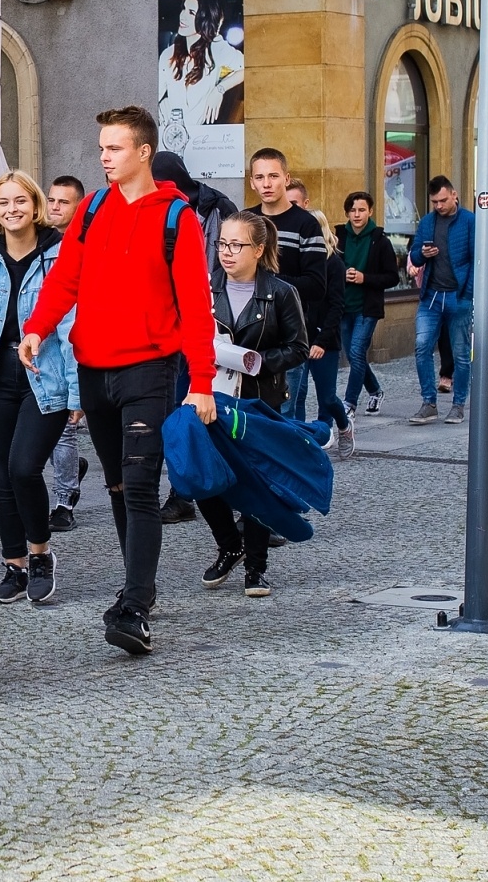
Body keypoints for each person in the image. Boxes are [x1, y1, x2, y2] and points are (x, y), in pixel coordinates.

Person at [19, 104, 217, 657]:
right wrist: (37, 328)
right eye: (103, 147)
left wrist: (200, 381)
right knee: (115, 486)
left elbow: (197, 308)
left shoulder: (176, 218)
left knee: (140, 485)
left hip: (149, 370)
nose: (105, 157)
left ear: (144, 151)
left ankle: (136, 604)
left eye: (115, 147)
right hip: (93, 368)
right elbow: (66, 278)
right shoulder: (93, 207)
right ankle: (136, 586)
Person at [0, 173, 78, 605]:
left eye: (20, 201)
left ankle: (41, 554)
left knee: (25, 467)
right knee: (4, 477)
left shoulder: (60, 256)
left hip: (45, 376)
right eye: (3, 203)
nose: (11, 209)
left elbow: (72, 327)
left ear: (35, 204)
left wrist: (78, 394)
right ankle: (15, 567)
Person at [198, 211, 310, 597]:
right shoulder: (205, 288)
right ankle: (230, 544)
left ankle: (256, 569)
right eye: (222, 244)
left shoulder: (280, 292)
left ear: (259, 249)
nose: (226, 253)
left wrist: (261, 361)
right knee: (201, 475)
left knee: (255, 482)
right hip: (211, 394)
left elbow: (298, 347)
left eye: (236, 245)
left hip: (260, 400)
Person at [151, 149, 238, 525]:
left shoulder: (216, 208)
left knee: (205, 408)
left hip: (211, 316)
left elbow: (224, 260)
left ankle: (218, 495)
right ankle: (180, 491)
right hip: (168, 322)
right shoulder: (152, 207)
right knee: (174, 410)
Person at [247, 150, 324, 421]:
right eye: (260, 177)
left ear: (286, 179)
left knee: (284, 416)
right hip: (246, 336)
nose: (266, 183)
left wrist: (268, 282)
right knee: (247, 416)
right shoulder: (246, 222)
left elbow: (316, 285)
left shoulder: (306, 224)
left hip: (287, 336)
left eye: (273, 176)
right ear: (252, 182)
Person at [405, 175, 475, 424]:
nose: (439, 206)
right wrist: (422, 254)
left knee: (460, 353)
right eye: (435, 201)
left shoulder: (469, 221)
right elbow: (414, 254)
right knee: (422, 346)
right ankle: (429, 402)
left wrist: (467, 294)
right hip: (431, 295)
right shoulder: (427, 221)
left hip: (458, 295)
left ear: (454, 195)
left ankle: (458, 405)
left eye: (443, 200)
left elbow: (477, 258)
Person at [44, 174, 91, 533]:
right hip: (40, 347)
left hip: (73, 346)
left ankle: (64, 500)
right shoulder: (41, 244)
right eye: (52, 200)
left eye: (63, 202)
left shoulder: (82, 247)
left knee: (64, 431)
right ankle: (71, 470)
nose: (55, 207)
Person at [293, 209, 355, 459]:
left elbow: (337, 306)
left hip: (324, 341)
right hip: (298, 339)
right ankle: (296, 442)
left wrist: (321, 341)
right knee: (295, 394)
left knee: (327, 397)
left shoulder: (333, 264)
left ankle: (343, 425)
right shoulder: (298, 262)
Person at [335, 191, 399, 416]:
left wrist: (365, 278)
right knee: (354, 356)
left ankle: (349, 404)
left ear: (370, 211)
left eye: (361, 210)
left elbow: (393, 277)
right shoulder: (338, 236)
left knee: (356, 351)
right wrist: (341, 274)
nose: (357, 214)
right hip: (343, 306)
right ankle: (375, 391)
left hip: (367, 308)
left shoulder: (380, 241)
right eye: (352, 210)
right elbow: (329, 267)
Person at [157, 0, 244, 158]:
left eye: (191, 12)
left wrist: (219, 90)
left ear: (204, 19)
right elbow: (156, 95)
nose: (182, 15)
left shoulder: (217, 50)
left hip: (200, 145)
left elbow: (246, 68)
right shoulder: (168, 54)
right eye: (183, 9)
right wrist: (161, 105)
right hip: (169, 139)